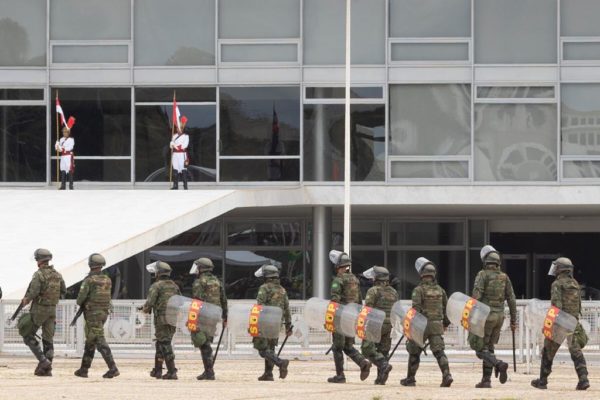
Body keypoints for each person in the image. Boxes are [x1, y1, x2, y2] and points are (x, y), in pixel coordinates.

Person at [531, 257, 590, 391]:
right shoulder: (575, 283)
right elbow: (578, 305)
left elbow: (556, 307)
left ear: (560, 269)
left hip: (560, 322)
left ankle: (542, 381)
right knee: (576, 351)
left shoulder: (557, 284)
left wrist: (549, 325)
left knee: (548, 351)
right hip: (573, 321)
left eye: (556, 267)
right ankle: (583, 379)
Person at [400, 258, 453, 387]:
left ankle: (410, 379)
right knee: (439, 351)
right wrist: (445, 324)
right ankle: (447, 375)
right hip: (436, 325)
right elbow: (447, 309)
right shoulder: (441, 290)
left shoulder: (418, 290)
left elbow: (416, 310)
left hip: (421, 325)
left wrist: (410, 326)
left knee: (414, 351)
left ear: (422, 274)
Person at [470, 245, 517, 388]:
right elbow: (512, 299)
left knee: (479, 349)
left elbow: (476, 297)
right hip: (500, 317)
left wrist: (471, 314)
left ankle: (499, 364)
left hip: (486, 317)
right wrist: (514, 321)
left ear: (485, 261)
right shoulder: (504, 277)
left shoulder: (482, 274)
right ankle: (486, 380)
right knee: (489, 348)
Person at [19, 249, 66, 376]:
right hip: (52, 310)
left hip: (39, 310)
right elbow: (63, 290)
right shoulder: (57, 274)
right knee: (48, 339)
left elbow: (33, 291)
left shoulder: (38, 275)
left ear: (38, 260)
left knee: (27, 335)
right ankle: (47, 369)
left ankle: (44, 361)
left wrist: (26, 300)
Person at [327, 250, 371, 383]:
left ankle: (340, 376)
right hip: (352, 318)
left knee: (337, 347)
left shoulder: (338, 280)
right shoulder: (355, 280)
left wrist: (330, 320)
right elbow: (359, 301)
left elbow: (334, 302)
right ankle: (363, 362)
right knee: (348, 346)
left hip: (341, 318)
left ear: (338, 266)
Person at [74, 253, 119, 379]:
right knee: (91, 340)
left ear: (90, 265)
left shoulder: (89, 280)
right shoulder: (107, 280)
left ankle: (113, 368)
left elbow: (80, 299)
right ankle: (84, 369)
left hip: (93, 314)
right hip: (104, 313)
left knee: (98, 339)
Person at [189, 257, 228, 380]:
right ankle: (208, 371)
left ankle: (209, 372)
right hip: (215, 315)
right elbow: (223, 299)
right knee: (206, 342)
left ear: (201, 268)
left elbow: (197, 301)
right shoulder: (217, 281)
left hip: (203, 314)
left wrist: (192, 318)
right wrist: (225, 316)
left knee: (203, 343)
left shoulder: (199, 282)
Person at [141, 261, 181, 379]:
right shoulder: (174, 285)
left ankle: (172, 371)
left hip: (161, 319)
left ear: (158, 273)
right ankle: (157, 370)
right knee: (161, 343)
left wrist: (145, 310)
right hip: (172, 318)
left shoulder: (156, 286)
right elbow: (180, 301)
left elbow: (150, 303)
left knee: (164, 343)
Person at [253, 264, 292, 381]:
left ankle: (280, 363)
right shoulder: (282, 290)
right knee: (270, 348)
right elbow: (287, 309)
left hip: (265, 323)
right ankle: (268, 374)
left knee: (262, 349)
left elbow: (260, 306)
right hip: (277, 324)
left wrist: (255, 323)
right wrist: (288, 326)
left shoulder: (264, 288)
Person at [360, 266, 397, 385]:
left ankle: (383, 365)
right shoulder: (393, 292)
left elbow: (368, 308)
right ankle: (381, 378)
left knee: (367, 348)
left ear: (377, 277)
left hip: (375, 323)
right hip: (388, 324)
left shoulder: (373, 290)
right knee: (383, 351)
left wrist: (362, 322)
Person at [54, 117, 76, 190]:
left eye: (66, 132)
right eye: (63, 132)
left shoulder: (71, 140)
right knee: (63, 170)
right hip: (63, 157)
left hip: (68, 157)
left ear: (68, 132)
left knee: (70, 170)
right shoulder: (61, 139)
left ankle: (71, 185)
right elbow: (59, 149)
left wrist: (61, 148)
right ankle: (63, 185)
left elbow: (68, 148)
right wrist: (57, 145)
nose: (64, 133)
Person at [170, 116, 189, 190]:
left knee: (183, 169)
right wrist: (172, 144)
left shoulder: (186, 136)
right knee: (175, 169)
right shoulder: (174, 136)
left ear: (182, 129)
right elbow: (171, 147)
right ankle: (175, 186)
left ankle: (185, 186)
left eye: (180, 128)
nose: (178, 129)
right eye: (178, 128)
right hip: (175, 155)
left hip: (182, 154)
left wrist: (174, 145)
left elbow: (184, 146)